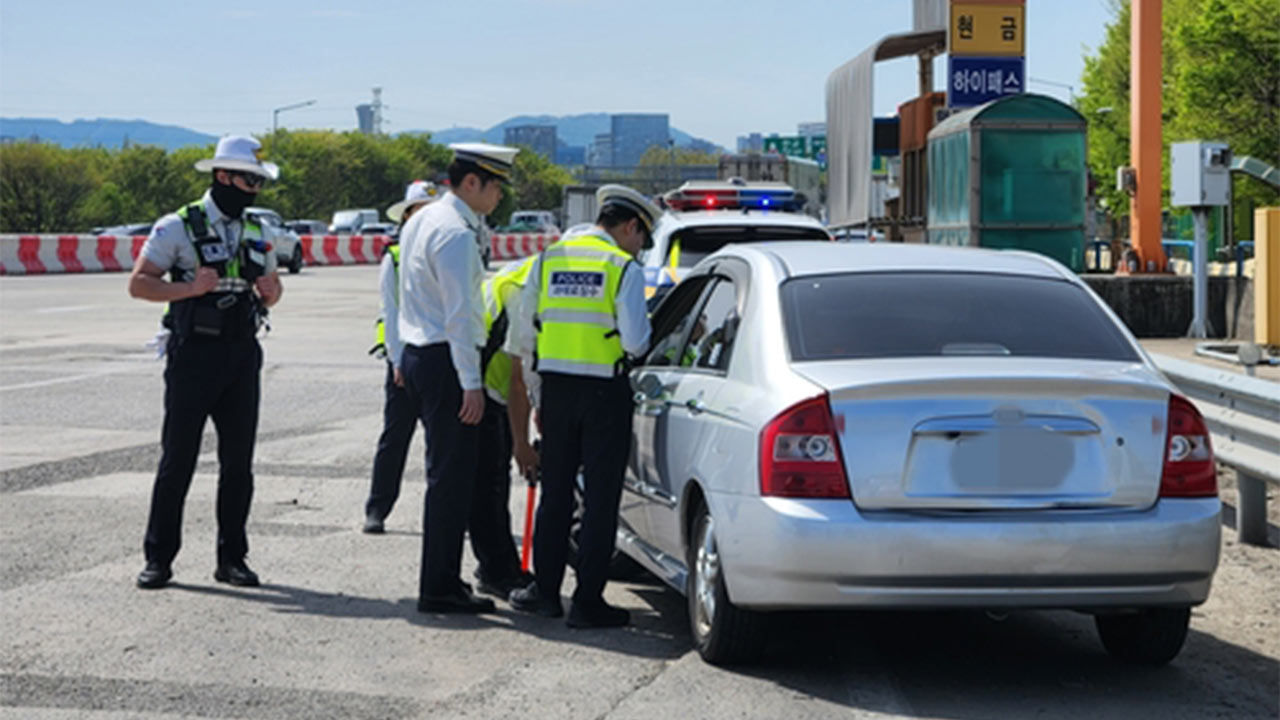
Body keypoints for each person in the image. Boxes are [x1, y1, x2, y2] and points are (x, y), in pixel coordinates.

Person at [128, 135, 283, 590]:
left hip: (242, 354)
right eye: (246, 179)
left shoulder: (258, 229)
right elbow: (140, 284)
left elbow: (271, 284)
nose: (253, 188)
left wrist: (273, 294)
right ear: (221, 176)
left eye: (258, 181)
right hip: (194, 353)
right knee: (179, 459)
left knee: (239, 463)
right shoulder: (177, 226)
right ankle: (159, 558)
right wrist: (188, 290)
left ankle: (232, 558)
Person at [508, 184, 659, 628]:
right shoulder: (621, 267)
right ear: (630, 227)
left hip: (555, 392)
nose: (640, 247)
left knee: (555, 495)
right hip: (604, 396)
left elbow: (524, 338)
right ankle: (588, 601)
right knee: (599, 499)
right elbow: (635, 341)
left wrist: (537, 397)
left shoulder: (550, 259)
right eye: (641, 238)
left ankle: (546, 593)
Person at [398, 143, 518, 613]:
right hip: (446, 361)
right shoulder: (455, 234)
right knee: (452, 481)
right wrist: (471, 383)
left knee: (451, 475)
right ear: (472, 183)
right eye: (496, 186)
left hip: (420, 355)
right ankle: (439, 586)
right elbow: (460, 316)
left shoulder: (425, 220)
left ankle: (450, 578)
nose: (499, 196)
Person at [363, 180, 440, 534]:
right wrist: (395, 360)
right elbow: (389, 311)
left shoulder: (443, 248)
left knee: (440, 445)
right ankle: (377, 508)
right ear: (406, 216)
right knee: (395, 438)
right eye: (417, 210)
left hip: (436, 359)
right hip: (403, 360)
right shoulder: (394, 257)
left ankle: (445, 511)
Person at [469, 255, 539, 598]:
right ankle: (498, 572)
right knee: (489, 488)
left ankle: (499, 566)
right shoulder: (524, 290)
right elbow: (516, 380)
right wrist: (521, 444)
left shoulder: (520, 273)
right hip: (485, 392)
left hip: (481, 383)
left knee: (488, 488)